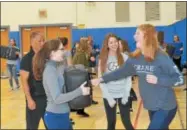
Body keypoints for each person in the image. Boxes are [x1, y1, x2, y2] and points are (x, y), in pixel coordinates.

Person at [91, 24, 184, 129]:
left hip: (166, 107)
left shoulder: (161, 57)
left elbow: (180, 79)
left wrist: (159, 80)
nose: (134, 36)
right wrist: (101, 79)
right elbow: (119, 72)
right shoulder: (135, 58)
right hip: (151, 106)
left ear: (146, 36)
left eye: (137, 33)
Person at [33, 39, 90, 129]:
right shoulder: (50, 71)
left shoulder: (56, 67)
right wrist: (80, 91)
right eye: (61, 49)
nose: (64, 52)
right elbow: (57, 98)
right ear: (53, 52)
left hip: (63, 115)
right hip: (56, 117)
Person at [98, 33, 134, 130]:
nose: (114, 44)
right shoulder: (102, 59)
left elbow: (128, 78)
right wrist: (109, 98)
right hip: (109, 95)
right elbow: (101, 80)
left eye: (115, 42)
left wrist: (126, 94)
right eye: (111, 42)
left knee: (127, 122)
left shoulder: (125, 57)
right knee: (111, 122)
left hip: (123, 94)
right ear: (107, 45)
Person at [20, 32, 48, 129]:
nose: (42, 43)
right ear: (32, 42)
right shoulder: (26, 59)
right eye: (39, 41)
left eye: (43, 40)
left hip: (48, 98)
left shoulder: (46, 57)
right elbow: (24, 81)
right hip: (34, 99)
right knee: (32, 127)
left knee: (51, 126)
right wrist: (29, 99)